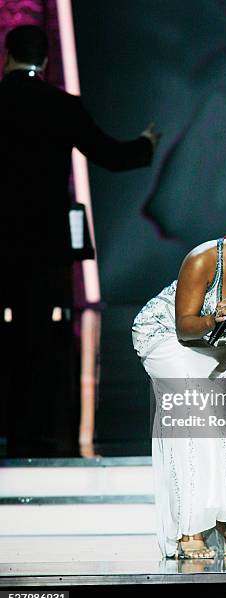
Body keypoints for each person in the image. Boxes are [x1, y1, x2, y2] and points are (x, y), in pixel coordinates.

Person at [0, 25, 160, 456]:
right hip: (45, 243)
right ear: (47, 61)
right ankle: (32, 430)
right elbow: (110, 155)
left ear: (6, 55)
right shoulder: (61, 106)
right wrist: (145, 145)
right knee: (39, 336)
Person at [132, 198, 226, 559]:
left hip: (219, 332)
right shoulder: (202, 259)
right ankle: (190, 529)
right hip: (167, 332)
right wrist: (215, 318)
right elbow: (185, 328)